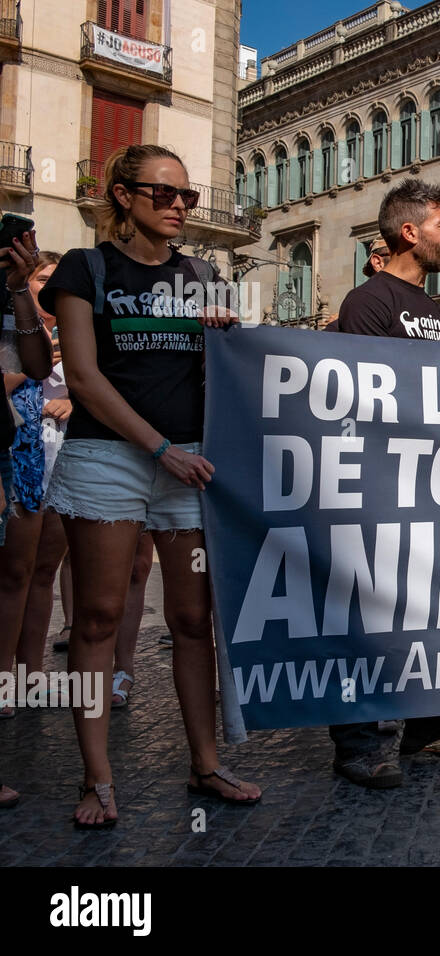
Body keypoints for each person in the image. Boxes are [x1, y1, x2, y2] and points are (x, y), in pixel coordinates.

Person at [39, 144, 260, 827]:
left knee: (195, 621)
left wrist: (224, 334)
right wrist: (158, 447)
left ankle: (206, 763)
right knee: (99, 618)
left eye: (187, 197)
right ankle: (97, 778)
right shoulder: (87, 268)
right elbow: (83, 379)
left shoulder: (203, 274)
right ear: (124, 195)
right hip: (111, 460)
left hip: (188, 465)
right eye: (164, 193)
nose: (179, 206)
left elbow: (229, 371)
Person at [331, 178, 440, 788]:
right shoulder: (366, 303)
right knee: (369, 617)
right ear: (410, 232)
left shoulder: (434, 312)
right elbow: (370, 397)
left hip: (431, 490)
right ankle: (357, 741)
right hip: (380, 487)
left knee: (428, 611)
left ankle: (423, 728)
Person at [0, 224, 53, 808]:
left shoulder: (12, 300)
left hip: (18, 449)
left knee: (21, 572)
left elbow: (35, 366)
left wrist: (17, 291)